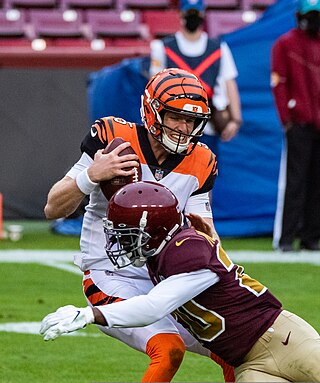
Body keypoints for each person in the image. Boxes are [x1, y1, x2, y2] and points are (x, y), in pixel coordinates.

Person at [44, 68, 234, 382]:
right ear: (152, 110)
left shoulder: (202, 160)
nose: (183, 128)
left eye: (191, 121)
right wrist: (91, 175)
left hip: (164, 277)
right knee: (168, 348)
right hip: (110, 274)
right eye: (175, 117)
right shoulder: (114, 140)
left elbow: (205, 231)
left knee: (235, 348)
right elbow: (53, 207)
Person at [40, 181, 320, 382]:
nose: (118, 242)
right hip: (247, 363)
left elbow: (153, 307)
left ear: (154, 231)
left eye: (127, 234)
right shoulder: (162, 252)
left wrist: (90, 314)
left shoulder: (187, 251)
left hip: (283, 340)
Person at [149, 0, 242, 144]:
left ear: (203, 15)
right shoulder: (163, 48)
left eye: (196, 13)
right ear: (181, 14)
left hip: (207, 124)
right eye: (189, 13)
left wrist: (236, 119)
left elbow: (229, 82)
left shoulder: (219, 48)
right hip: (174, 127)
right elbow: (155, 85)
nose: (193, 17)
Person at [271, 0, 320, 252]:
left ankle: (312, 236)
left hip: (318, 124)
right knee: (295, 180)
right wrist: (286, 120)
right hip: (298, 123)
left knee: (316, 182)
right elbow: (279, 83)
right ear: (299, 15)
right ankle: (287, 238)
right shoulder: (285, 43)